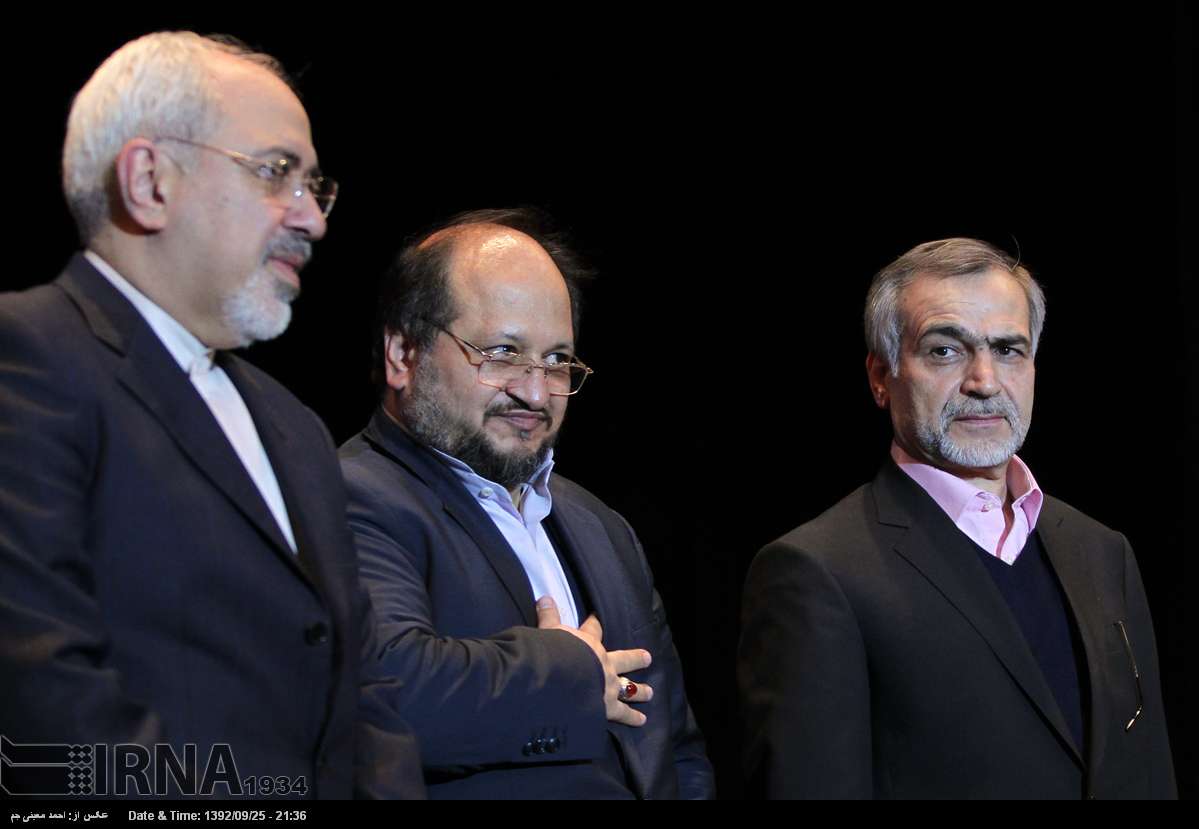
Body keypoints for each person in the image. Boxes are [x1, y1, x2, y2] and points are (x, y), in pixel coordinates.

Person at [0, 32, 422, 799]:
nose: (313, 220)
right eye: (275, 172)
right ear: (149, 182)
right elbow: (42, 693)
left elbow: (365, 692)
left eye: (314, 186)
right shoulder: (27, 354)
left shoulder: (295, 427)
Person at [739, 238, 1177, 799]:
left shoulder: (1103, 552)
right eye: (945, 351)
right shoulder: (816, 573)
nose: (985, 381)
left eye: (1009, 349)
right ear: (881, 376)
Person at [340, 207, 714, 799]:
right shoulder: (348, 496)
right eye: (503, 353)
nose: (536, 392)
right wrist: (570, 673)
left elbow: (676, 749)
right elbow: (388, 692)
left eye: (557, 360)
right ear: (403, 354)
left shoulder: (600, 526)